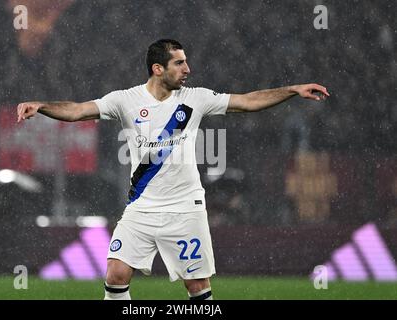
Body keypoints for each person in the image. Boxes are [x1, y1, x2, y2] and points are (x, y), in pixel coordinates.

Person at [17, 39, 329, 300]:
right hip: (141, 208)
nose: (187, 69)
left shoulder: (196, 99)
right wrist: (42, 106)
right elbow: (78, 110)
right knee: (115, 273)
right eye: (179, 63)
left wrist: (293, 89)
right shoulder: (125, 100)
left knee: (197, 286)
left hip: (185, 208)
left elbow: (247, 101)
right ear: (158, 69)